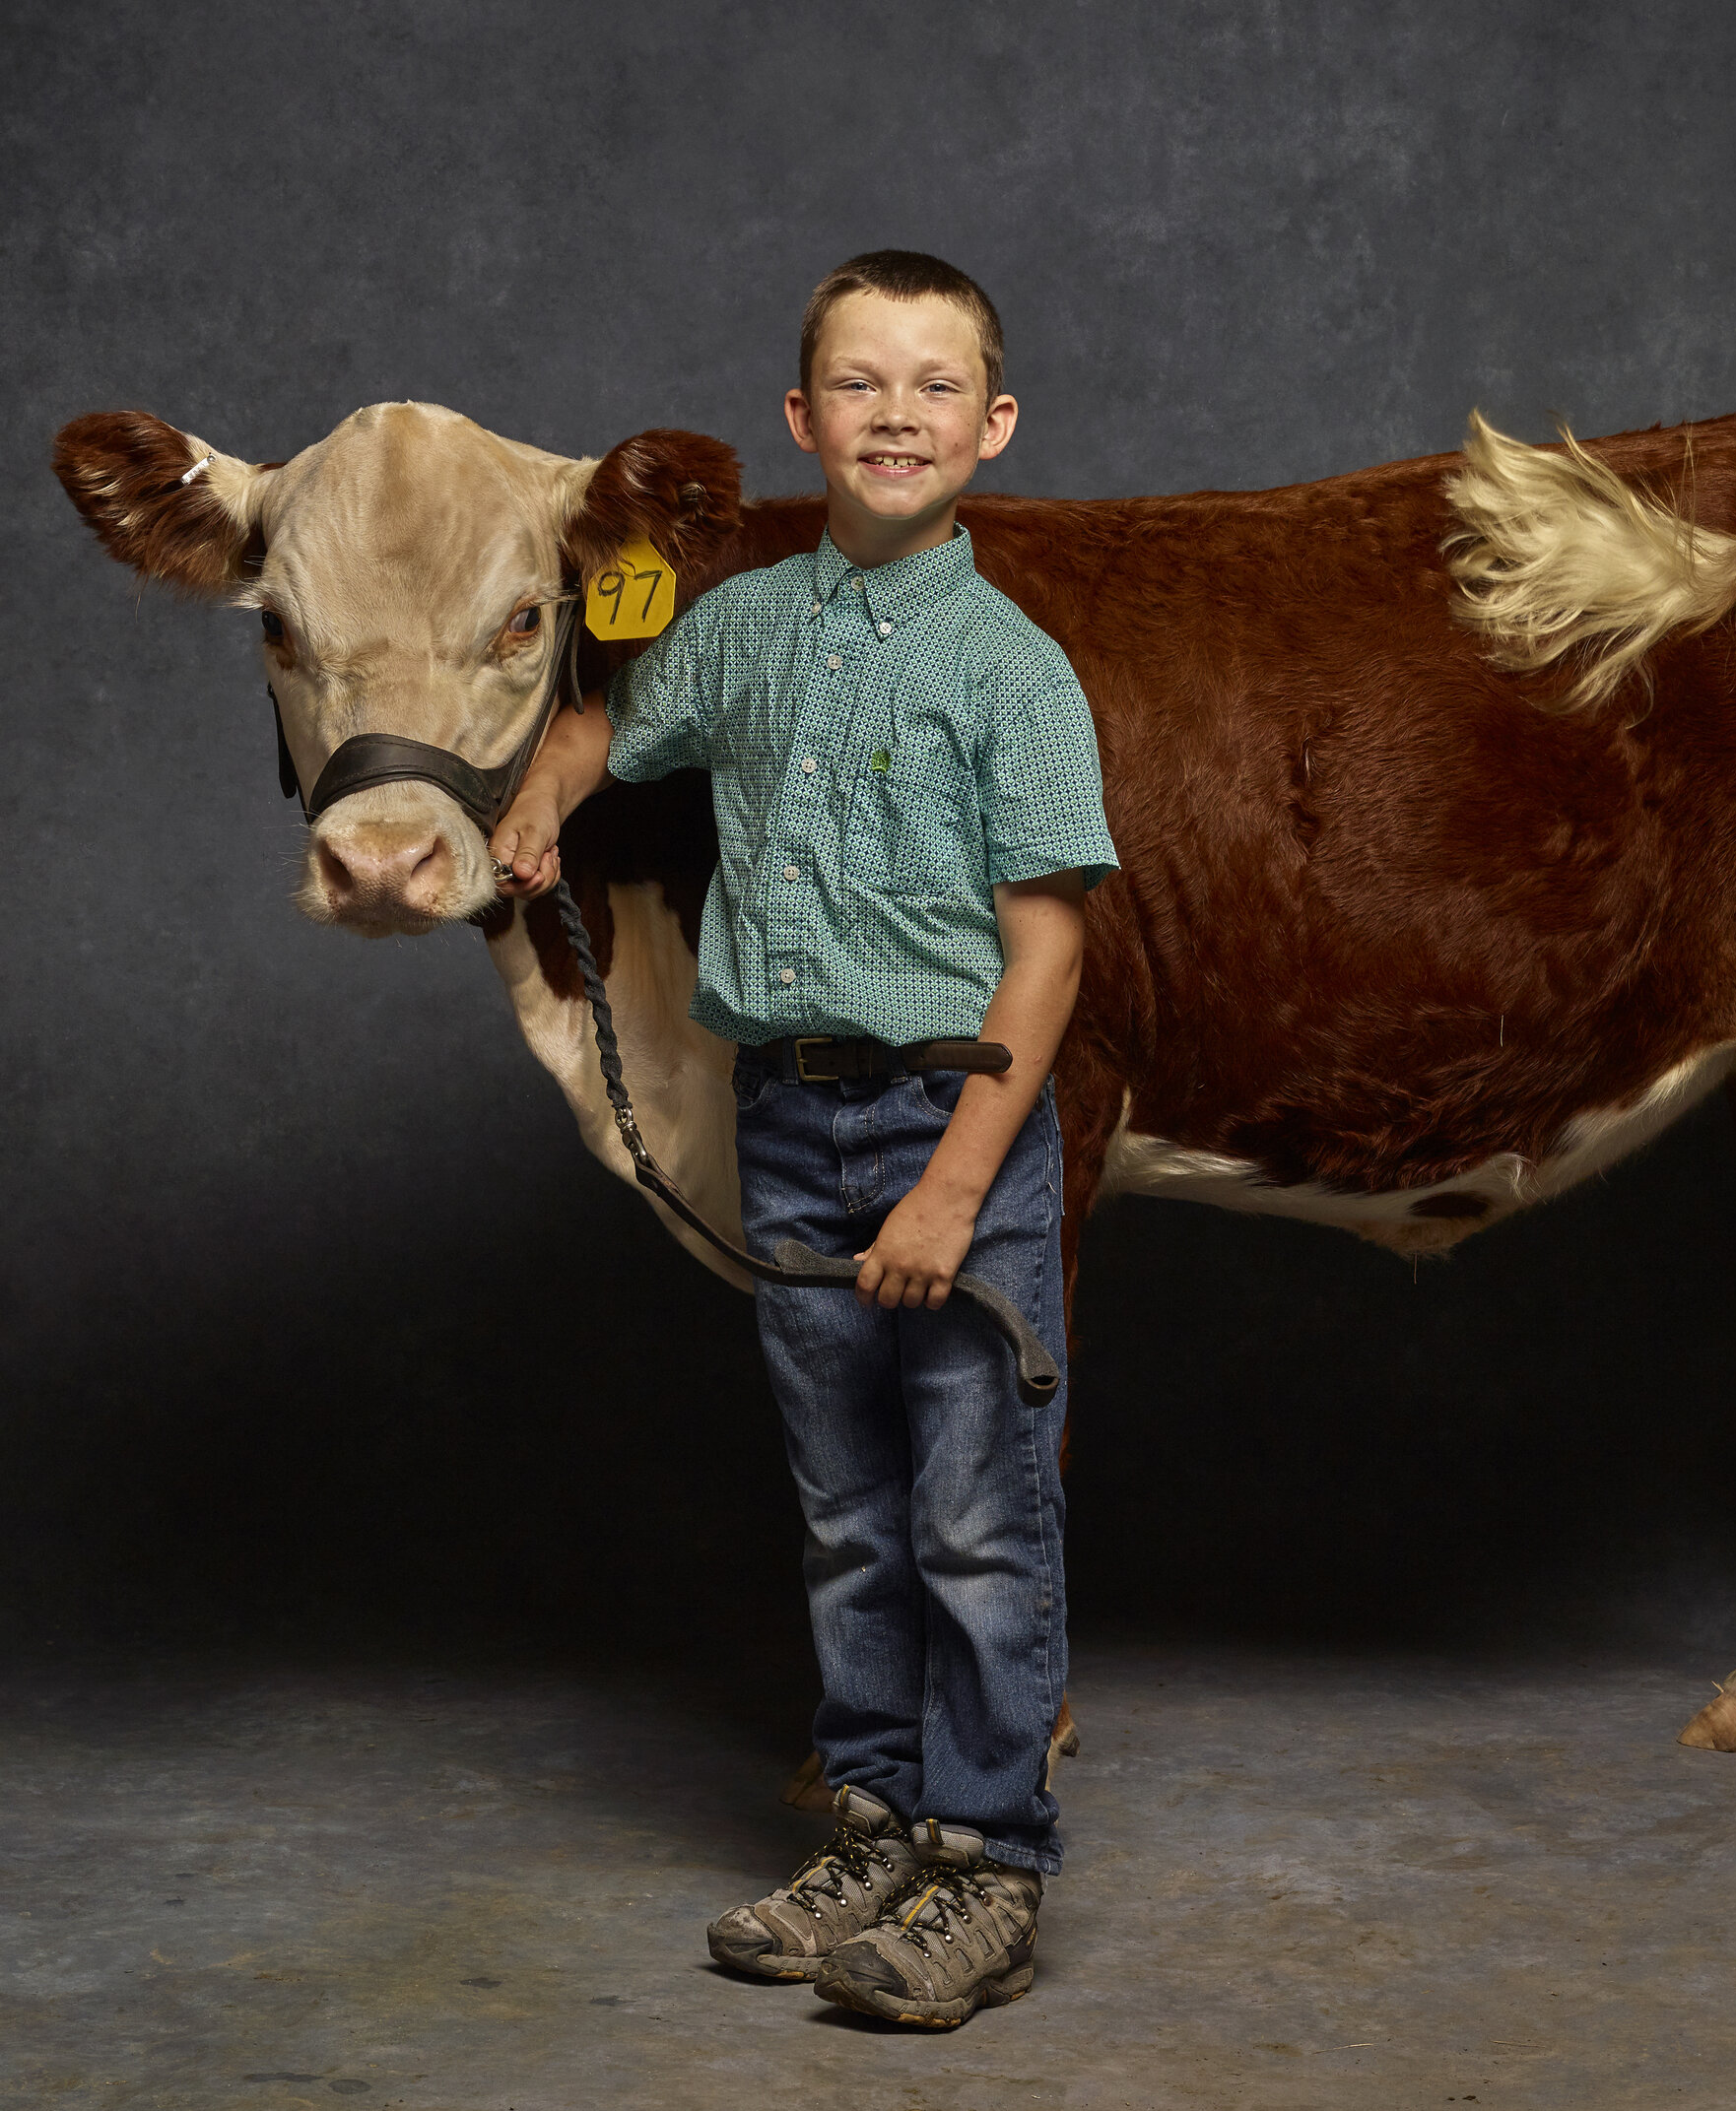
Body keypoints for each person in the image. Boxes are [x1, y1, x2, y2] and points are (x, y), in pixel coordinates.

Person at [491, 250, 1116, 2028]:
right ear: (801, 418)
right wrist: (545, 788)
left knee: (977, 1519)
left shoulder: (1016, 669)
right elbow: (623, 720)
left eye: (934, 387)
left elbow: (1052, 947)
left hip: (952, 1115)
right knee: (851, 1513)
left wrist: (949, 1185)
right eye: (859, 384)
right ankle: (874, 1823)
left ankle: (987, 1861)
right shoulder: (744, 624)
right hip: (789, 1115)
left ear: (990, 426)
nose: (894, 415)